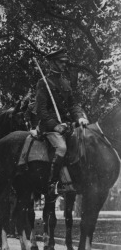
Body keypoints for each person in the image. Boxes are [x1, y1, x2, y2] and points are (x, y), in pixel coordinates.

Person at [35, 47, 89, 193]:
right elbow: (41, 111)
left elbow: (73, 104)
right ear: (52, 63)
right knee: (62, 148)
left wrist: (80, 117)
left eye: (65, 62)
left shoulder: (66, 82)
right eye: (61, 62)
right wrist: (55, 126)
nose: (64, 64)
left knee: (84, 141)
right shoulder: (43, 82)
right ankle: (52, 183)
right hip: (50, 127)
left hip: (67, 124)